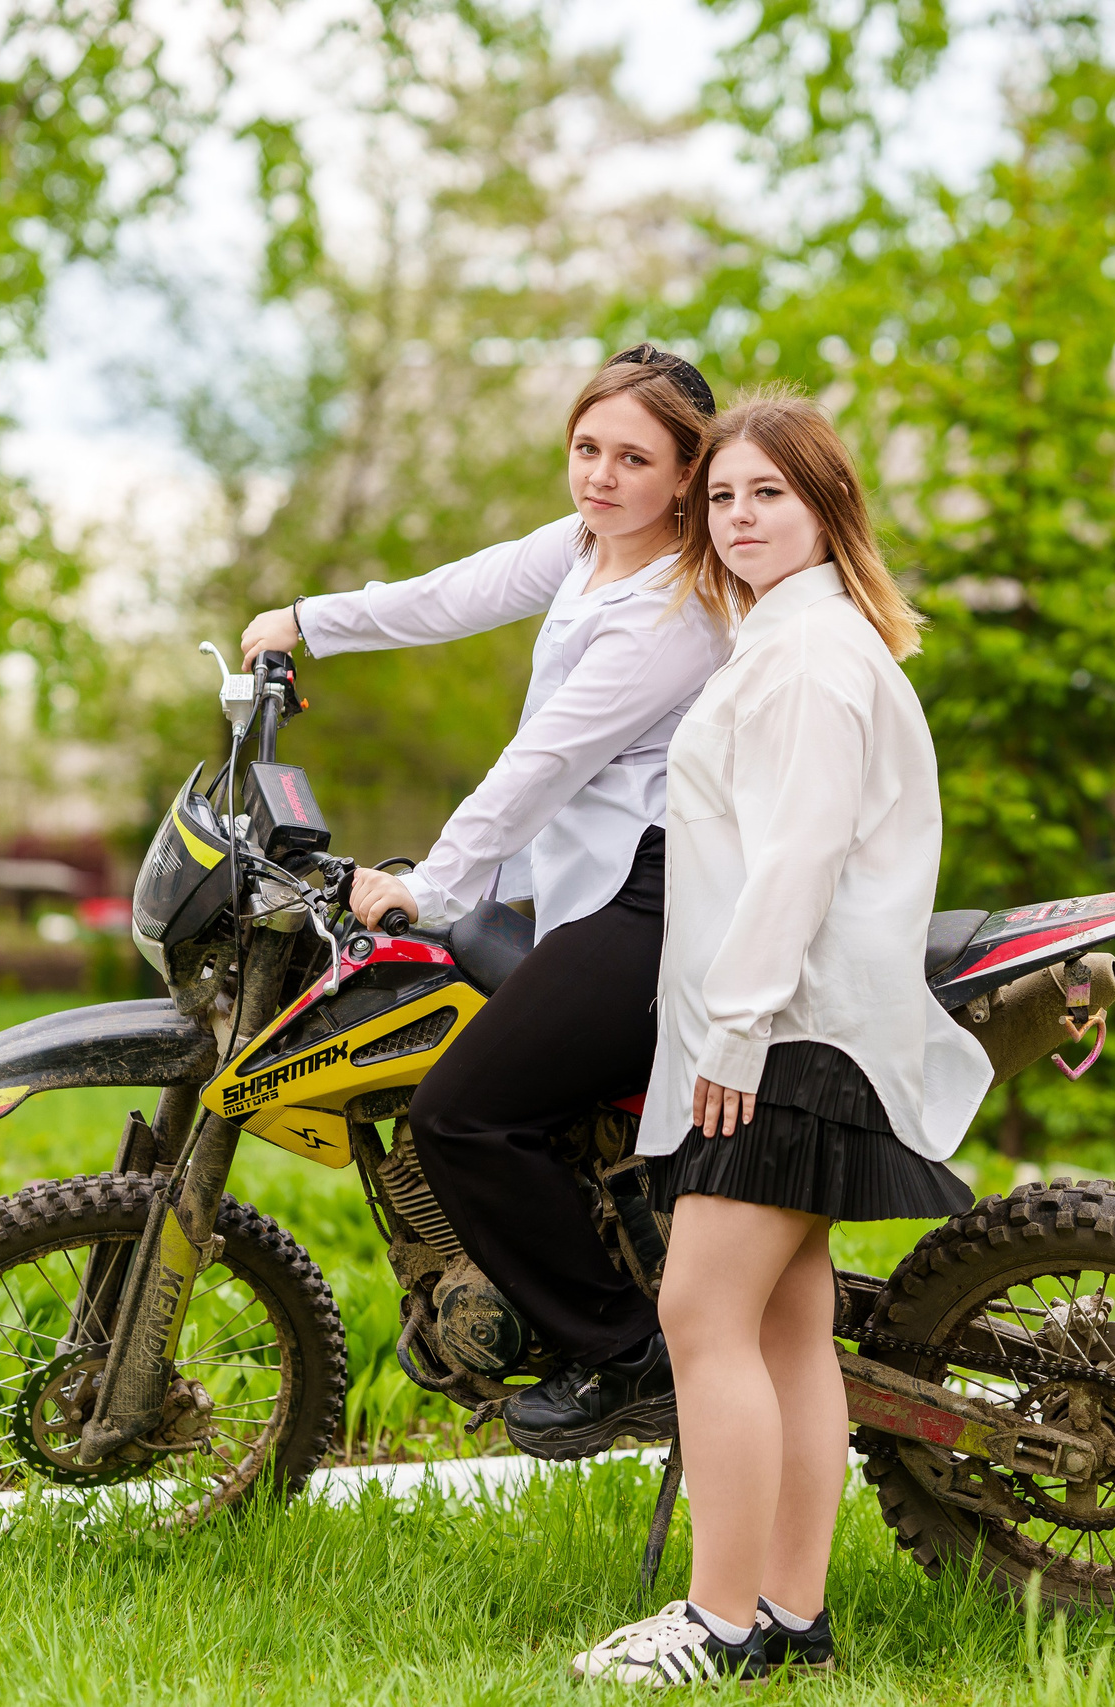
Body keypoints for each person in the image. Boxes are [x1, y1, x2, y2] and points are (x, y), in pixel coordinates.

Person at [571, 394, 992, 1685]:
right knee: (788, 1332)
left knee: (701, 1311)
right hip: (808, 1029)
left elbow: (799, 859)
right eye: (724, 497)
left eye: (769, 494)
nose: (738, 517)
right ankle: (791, 1618)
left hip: (787, 1033)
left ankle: (718, 1619)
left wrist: (737, 1032)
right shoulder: (796, 639)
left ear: (825, 507)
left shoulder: (812, 657)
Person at [237, 345, 727, 1454]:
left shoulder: (674, 610)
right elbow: (453, 593)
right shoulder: (584, 549)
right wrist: (307, 621)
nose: (600, 476)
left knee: (466, 1112)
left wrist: (429, 887)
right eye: (586, 448)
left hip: (656, 902)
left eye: (633, 459)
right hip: (586, 887)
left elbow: (540, 763)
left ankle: (620, 1353)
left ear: (688, 476)